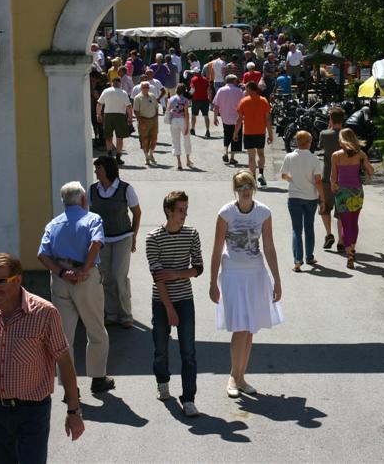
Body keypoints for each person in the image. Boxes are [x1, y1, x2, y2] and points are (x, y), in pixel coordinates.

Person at [0, 253, 84, 464]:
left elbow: (64, 362)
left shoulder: (44, 313)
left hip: (33, 412)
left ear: (17, 279)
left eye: (0, 282)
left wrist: (73, 411)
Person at [37, 182, 116, 397]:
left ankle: (68, 387)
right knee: (96, 329)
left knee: (63, 336)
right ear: (83, 200)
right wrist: (84, 270)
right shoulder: (92, 219)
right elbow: (96, 243)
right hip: (86, 279)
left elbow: (42, 255)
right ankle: (98, 379)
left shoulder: (53, 224)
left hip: (61, 278)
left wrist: (62, 273)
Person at [209, 171, 283, 398]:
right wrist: (213, 282)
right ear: (235, 190)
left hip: (255, 275)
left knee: (250, 329)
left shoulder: (263, 212)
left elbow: (269, 247)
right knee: (240, 327)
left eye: (248, 185)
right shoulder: (226, 213)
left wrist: (277, 280)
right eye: (241, 187)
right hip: (233, 275)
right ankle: (233, 376)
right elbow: (216, 247)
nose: (245, 190)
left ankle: (241, 377)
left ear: (254, 187)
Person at [145, 191, 204, 417]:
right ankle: (163, 383)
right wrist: (169, 308)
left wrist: (177, 274)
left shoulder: (191, 234)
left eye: (186, 210)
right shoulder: (153, 237)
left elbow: (198, 268)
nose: (184, 215)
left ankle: (189, 399)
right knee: (161, 349)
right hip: (161, 302)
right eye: (180, 210)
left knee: (188, 352)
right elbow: (158, 277)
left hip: (185, 299)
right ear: (168, 211)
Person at [89, 156, 141, 329]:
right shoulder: (92, 190)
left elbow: (137, 212)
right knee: (105, 277)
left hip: (122, 237)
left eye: (99, 168)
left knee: (119, 276)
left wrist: (134, 235)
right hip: (101, 240)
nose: (96, 171)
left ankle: (125, 314)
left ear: (107, 169)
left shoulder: (125, 189)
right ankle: (111, 313)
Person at [280, 130, 324, 271]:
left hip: (294, 196)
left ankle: (297, 261)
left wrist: (292, 180)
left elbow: (283, 175)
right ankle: (309, 256)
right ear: (310, 143)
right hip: (310, 197)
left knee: (296, 229)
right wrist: (321, 198)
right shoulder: (314, 159)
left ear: (297, 142)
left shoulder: (289, 156)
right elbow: (318, 180)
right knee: (309, 227)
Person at [330, 128, 374, 269]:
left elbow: (333, 177)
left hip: (342, 193)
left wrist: (333, 187)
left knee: (345, 223)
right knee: (354, 222)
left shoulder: (336, 156)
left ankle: (349, 252)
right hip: (356, 192)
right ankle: (352, 249)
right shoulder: (360, 154)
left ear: (342, 140)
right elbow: (371, 171)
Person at [233, 81, 273, 187]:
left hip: (249, 132)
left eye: (246, 89)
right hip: (260, 131)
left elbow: (239, 120)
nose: (245, 91)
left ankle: (253, 178)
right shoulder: (264, 101)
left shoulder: (244, 101)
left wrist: (236, 133)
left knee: (251, 157)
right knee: (261, 153)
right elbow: (268, 119)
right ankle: (261, 173)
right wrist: (270, 134)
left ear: (250, 89)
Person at [318, 106, 345, 252]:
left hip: (328, 175)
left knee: (325, 206)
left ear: (330, 119)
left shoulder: (324, 134)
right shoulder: (347, 135)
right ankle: (341, 240)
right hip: (344, 177)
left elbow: (321, 147)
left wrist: (329, 127)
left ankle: (329, 234)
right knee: (341, 209)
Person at [96, 76, 132, 166]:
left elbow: (99, 103)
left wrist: (98, 114)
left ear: (112, 83)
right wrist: (130, 118)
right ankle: (118, 157)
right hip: (120, 115)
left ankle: (109, 155)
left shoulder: (106, 91)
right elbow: (129, 106)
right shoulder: (123, 92)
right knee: (119, 137)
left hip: (108, 115)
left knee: (108, 136)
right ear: (120, 83)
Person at [213, 74, 244, 165]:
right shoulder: (239, 91)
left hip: (225, 117)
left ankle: (225, 151)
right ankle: (232, 158)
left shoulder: (220, 90)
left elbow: (216, 105)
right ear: (233, 81)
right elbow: (243, 104)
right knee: (236, 136)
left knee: (227, 134)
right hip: (237, 117)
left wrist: (215, 117)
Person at [133, 82, 160, 166]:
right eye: (144, 87)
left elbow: (156, 107)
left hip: (153, 120)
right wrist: (140, 122)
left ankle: (151, 154)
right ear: (141, 88)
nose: (146, 88)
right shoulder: (138, 98)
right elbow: (136, 111)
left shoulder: (152, 96)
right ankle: (146, 157)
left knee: (154, 138)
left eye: (147, 87)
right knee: (145, 139)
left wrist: (156, 117)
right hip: (143, 120)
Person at [167, 84, 193, 170]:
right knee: (187, 140)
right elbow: (186, 113)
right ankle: (188, 159)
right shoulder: (185, 100)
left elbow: (168, 110)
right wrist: (188, 125)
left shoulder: (171, 99)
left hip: (174, 120)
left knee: (175, 141)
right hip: (182, 120)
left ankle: (179, 162)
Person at [189, 68, 212, 138]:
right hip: (205, 100)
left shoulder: (193, 79)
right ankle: (207, 130)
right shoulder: (205, 79)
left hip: (196, 100)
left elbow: (192, 89)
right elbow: (209, 89)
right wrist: (209, 98)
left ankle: (192, 129)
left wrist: (189, 97)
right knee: (206, 116)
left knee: (193, 115)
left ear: (195, 73)